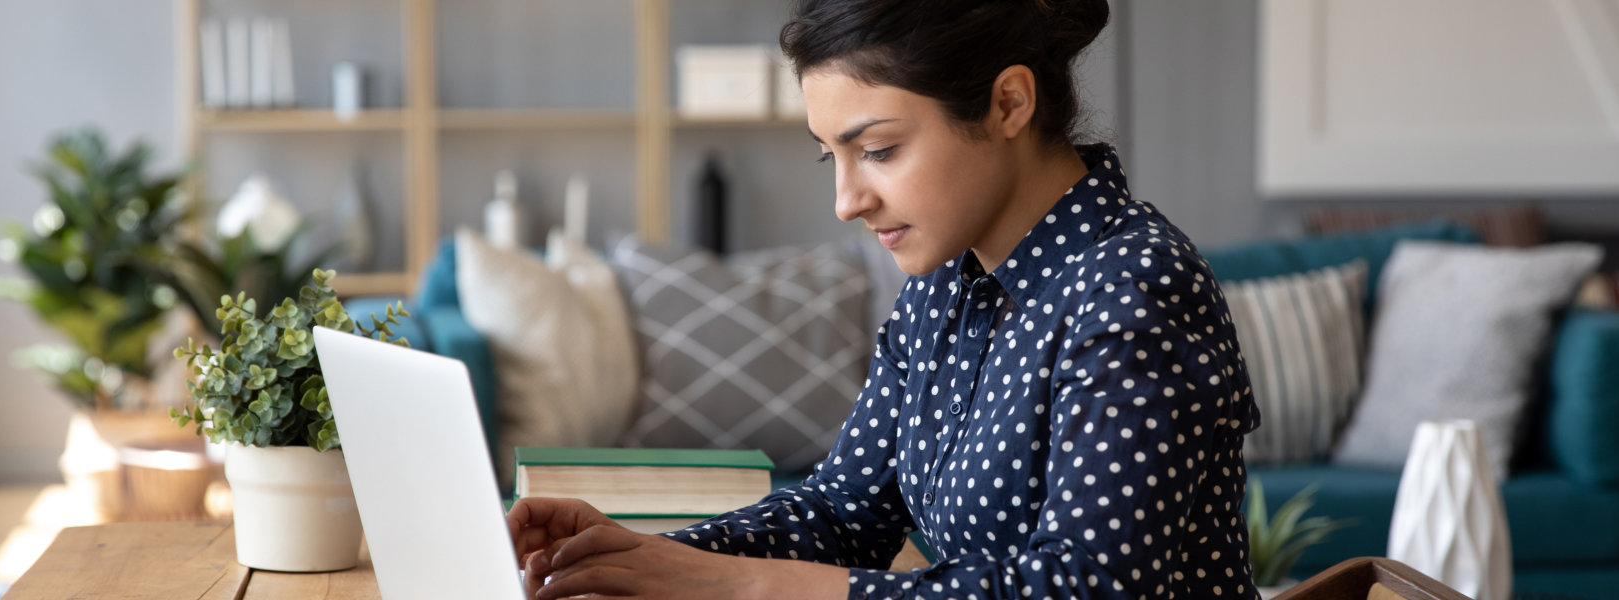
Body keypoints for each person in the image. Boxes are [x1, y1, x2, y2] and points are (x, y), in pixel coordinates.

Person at [508, 0, 1263, 598]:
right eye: (830, 154)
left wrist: (742, 584)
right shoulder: (942, 283)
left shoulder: (1135, 288)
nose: (845, 200)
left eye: (877, 150)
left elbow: (1087, 590)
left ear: (1008, 103)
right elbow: (843, 512)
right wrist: (640, 558)